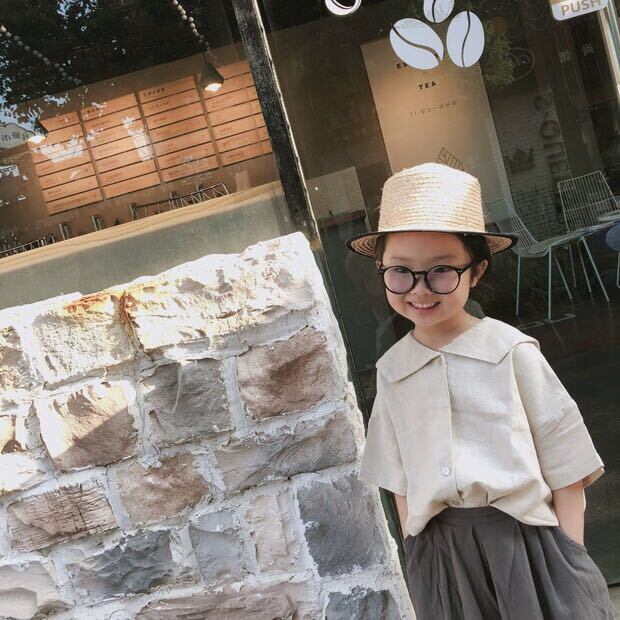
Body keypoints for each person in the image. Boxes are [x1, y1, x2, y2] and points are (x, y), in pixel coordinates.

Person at [346, 163, 613, 619]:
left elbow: (568, 465)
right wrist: (417, 553)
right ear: (381, 270)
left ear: (477, 270)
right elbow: (398, 478)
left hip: (528, 544)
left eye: (441, 271)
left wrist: (570, 557)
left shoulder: (511, 352)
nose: (420, 289)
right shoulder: (392, 371)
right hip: (444, 557)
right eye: (401, 271)